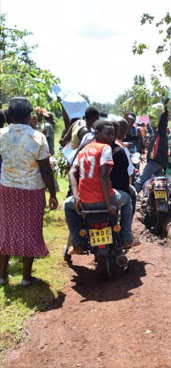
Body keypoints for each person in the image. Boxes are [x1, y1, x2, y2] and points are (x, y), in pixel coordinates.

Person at [0, 97, 58, 286]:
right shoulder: (38, 137)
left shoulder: (1, 134)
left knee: (5, 229)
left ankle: (1, 276)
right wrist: (53, 194)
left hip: (6, 189)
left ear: (9, 115)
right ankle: (26, 277)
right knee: (30, 230)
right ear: (28, 115)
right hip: (31, 190)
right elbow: (46, 170)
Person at [64, 120, 133, 254]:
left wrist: (76, 197)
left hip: (84, 202)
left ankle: (77, 243)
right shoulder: (105, 148)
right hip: (104, 200)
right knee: (128, 199)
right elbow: (104, 176)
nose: (111, 137)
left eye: (113, 134)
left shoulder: (84, 149)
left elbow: (72, 172)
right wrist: (108, 205)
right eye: (108, 133)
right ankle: (127, 237)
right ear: (97, 133)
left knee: (67, 204)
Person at [134, 101, 169, 194]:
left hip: (155, 161)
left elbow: (163, 121)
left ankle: (131, 199)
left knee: (140, 180)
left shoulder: (161, 133)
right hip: (159, 163)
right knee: (161, 183)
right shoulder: (155, 134)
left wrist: (165, 110)